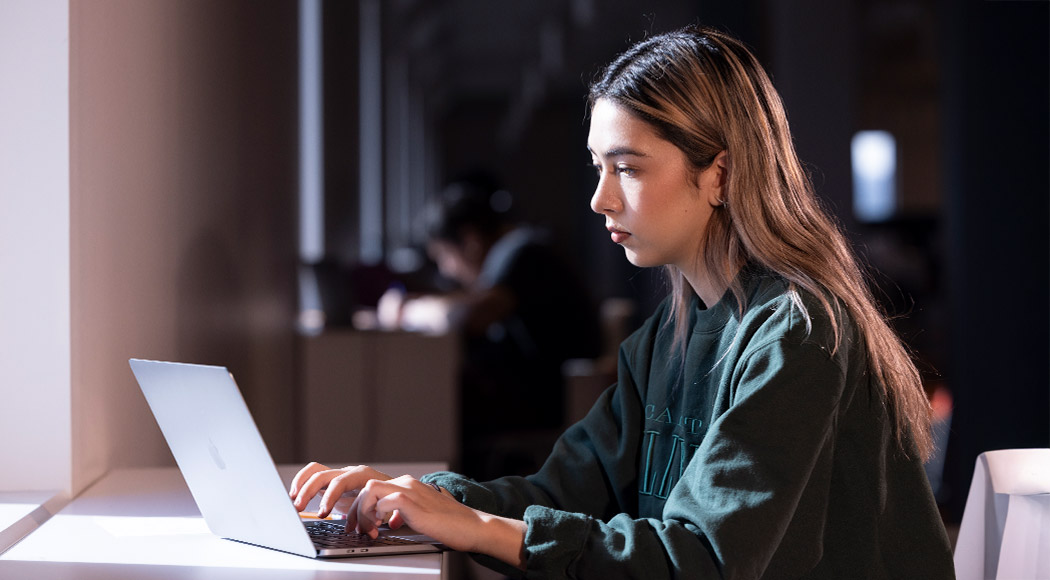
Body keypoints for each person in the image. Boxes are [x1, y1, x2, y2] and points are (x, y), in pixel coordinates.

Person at [289, 25, 956, 578]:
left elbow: (701, 561)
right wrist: (413, 499)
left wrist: (482, 527)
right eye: (597, 166)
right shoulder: (668, 341)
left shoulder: (797, 334)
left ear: (718, 172)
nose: (600, 198)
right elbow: (558, 494)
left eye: (628, 168)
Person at [378, 176, 602, 478]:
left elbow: (473, 315)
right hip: (543, 391)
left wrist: (409, 309)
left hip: (545, 399)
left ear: (470, 241)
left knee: (431, 400)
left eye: (444, 256)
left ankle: (435, 489)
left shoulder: (524, 255)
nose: (447, 270)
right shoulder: (520, 252)